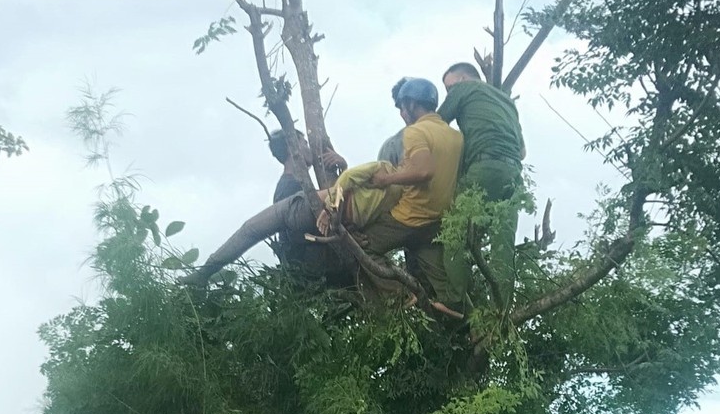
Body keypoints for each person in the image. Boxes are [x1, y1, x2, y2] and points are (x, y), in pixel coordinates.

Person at [177, 130, 349, 287]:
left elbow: (338, 202)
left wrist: (342, 168)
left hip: (321, 263)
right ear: (292, 147)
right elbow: (298, 232)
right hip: (311, 266)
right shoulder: (288, 187)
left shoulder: (296, 184)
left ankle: (204, 272)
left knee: (250, 229)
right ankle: (204, 272)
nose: (309, 148)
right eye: (304, 143)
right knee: (251, 229)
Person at [356, 78, 464, 312]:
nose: (403, 113)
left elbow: (424, 170)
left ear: (413, 104)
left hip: (409, 217)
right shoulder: (455, 136)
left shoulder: (415, 132)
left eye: (403, 107)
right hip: (436, 222)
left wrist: (385, 179)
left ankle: (400, 294)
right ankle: (456, 310)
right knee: (441, 281)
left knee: (360, 246)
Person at [437, 62, 528, 308]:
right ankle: (501, 313)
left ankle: (456, 303)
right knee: (503, 245)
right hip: (513, 174)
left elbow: (434, 126)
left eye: (449, 88)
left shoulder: (464, 89)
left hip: (483, 167)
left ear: (464, 78)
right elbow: (522, 152)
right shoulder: (507, 102)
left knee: (454, 233)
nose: (449, 93)